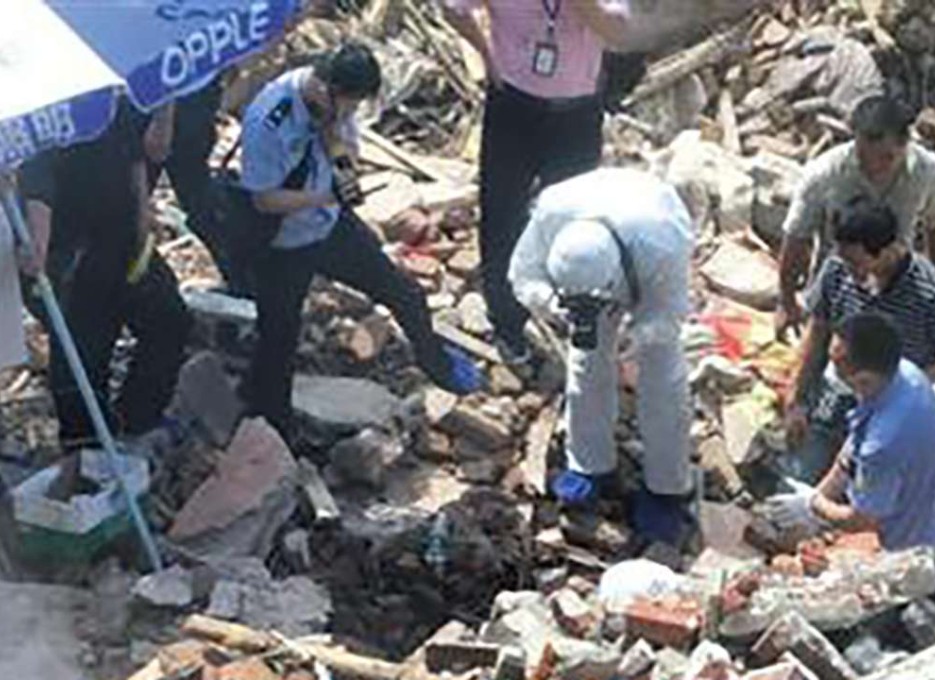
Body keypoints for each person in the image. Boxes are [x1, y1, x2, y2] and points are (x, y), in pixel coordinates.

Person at [239, 42, 480, 437]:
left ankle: (437, 363)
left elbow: (349, 154)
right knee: (278, 341)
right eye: (348, 104)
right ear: (323, 87)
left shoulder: (336, 106)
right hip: (282, 244)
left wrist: (340, 153)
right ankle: (271, 425)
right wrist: (325, 196)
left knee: (402, 292)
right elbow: (264, 200)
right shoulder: (269, 118)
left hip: (330, 226)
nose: (351, 112)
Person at [508, 168, 695, 546]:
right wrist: (554, 305)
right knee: (586, 364)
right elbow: (522, 275)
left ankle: (668, 488)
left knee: (663, 379)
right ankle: (589, 464)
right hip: (593, 260)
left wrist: (639, 335)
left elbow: (671, 315)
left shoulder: (663, 241)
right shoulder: (551, 213)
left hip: (645, 253)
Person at [17, 98, 192, 497]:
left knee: (169, 319)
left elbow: (138, 153)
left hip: (123, 234)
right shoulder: (51, 108)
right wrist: (39, 245)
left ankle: (136, 421)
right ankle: (83, 456)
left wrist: (143, 211)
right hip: (71, 250)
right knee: (82, 354)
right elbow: (38, 182)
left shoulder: (116, 97)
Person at [443, 0, 628, 364]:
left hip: (577, 114)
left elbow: (620, 33)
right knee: (501, 213)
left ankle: (570, 311)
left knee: (574, 221)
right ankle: (507, 322)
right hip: (513, 106)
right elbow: (452, 8)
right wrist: (485, 54)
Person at [786, 202, 935, 482]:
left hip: (890, 406)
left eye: (858, 264)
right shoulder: (837, 269)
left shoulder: (931, 294)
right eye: (846, 261)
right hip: (835, 395)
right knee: (797, 477)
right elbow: (817, 331)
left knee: (870, 492)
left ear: (887, 249)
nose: (850, 271)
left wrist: (898, 384)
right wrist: (797, 399)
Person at [767, 312, 935, 553]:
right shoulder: (904, 373)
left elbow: (862, 521)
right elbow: (852, 448)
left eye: (837, 365)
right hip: (934, 513)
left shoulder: (883, 444)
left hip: (910, 545)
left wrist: (813, 505)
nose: (832, 370)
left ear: (864, 379)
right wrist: (820, 494)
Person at [777, 95, 935, 337]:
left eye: (885, 158)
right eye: (864, 157)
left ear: (905, 143)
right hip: (834, 291)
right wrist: (787, 302)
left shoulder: (925, 170)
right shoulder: (824, 174)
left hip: (898, 290)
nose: (874, 167)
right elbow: (796, 238)